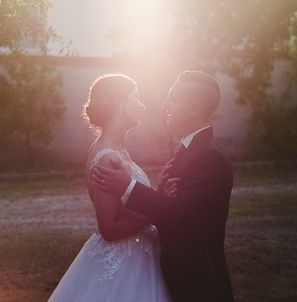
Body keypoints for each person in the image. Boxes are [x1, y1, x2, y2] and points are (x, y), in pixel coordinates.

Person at [91, 70, 234, 302]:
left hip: (199, 285)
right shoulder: (190, 151)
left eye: (173, 98)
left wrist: (128, 187)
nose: (165, 104)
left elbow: (179, 215)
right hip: (178, 279)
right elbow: (172, 206)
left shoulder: (210, 158)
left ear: (194, 108)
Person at [48, 74, 174, 302]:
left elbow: (128, 205)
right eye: (136, 97)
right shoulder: (107, 157)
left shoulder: (117, 151)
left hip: (139, 257)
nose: (142, 104)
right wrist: (158, 206)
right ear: (118, 103)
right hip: (125, 265)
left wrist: (156, 194)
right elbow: (109, 229)